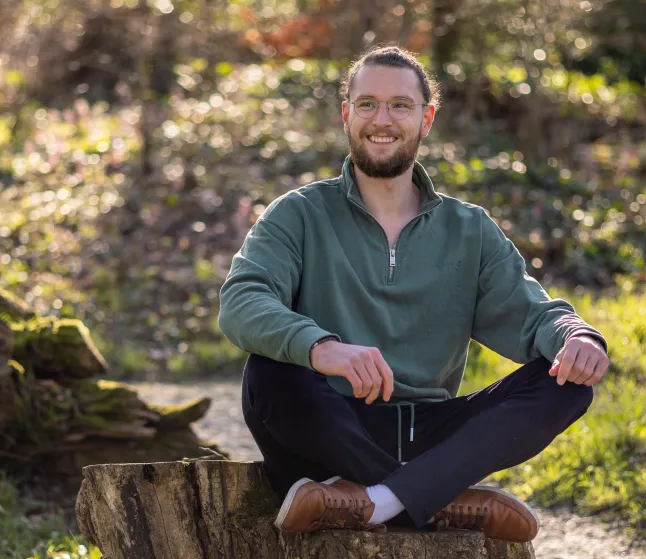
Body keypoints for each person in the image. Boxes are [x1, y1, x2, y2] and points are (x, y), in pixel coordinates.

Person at [218, 45, 610, 542]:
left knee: (567, 384)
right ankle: (437, 499)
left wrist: (576, 336)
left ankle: (378, 501)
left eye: (400, 105)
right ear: (347, 115)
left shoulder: (469, 229)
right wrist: (321, 347)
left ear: (425, 119)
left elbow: (532, 316)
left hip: (433, 434)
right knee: (269, 372)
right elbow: (241, 301)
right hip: (331, 427)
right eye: (367, 104)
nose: (382, 119)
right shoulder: (298, 214)